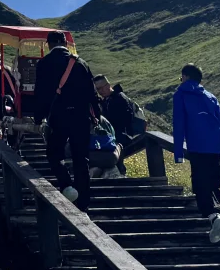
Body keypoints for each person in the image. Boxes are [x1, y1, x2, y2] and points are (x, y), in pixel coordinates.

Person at [32, 31, 96, 208]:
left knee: (53, 153)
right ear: (65, 43)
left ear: (49, 45)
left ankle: (66, 184)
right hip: (81, 117)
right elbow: (92, 93)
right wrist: (95, 115)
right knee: (81, 158)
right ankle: (83, 202)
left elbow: (40, 93)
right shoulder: (81, 63)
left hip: (58, 117)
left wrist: (38, 117)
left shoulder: (44, 63)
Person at [172, 64, 220, 244]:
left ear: (185, 77)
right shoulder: (210, 96)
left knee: (199, 182)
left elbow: (179, 124)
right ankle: (217, 215)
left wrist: (178, 153)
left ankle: (213, 216)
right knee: (213, 181)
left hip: (197, 145)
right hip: (215, 147)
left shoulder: (181, 95)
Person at [94, 76, 147, 174]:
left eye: (102, 87)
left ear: (108, 85)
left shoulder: (119, 98)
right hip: (118, 135)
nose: (100, 91)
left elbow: (123, 122)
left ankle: (119, 171)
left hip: (126, 135)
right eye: (98, 89)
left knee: (109, 146)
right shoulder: (107, 100)